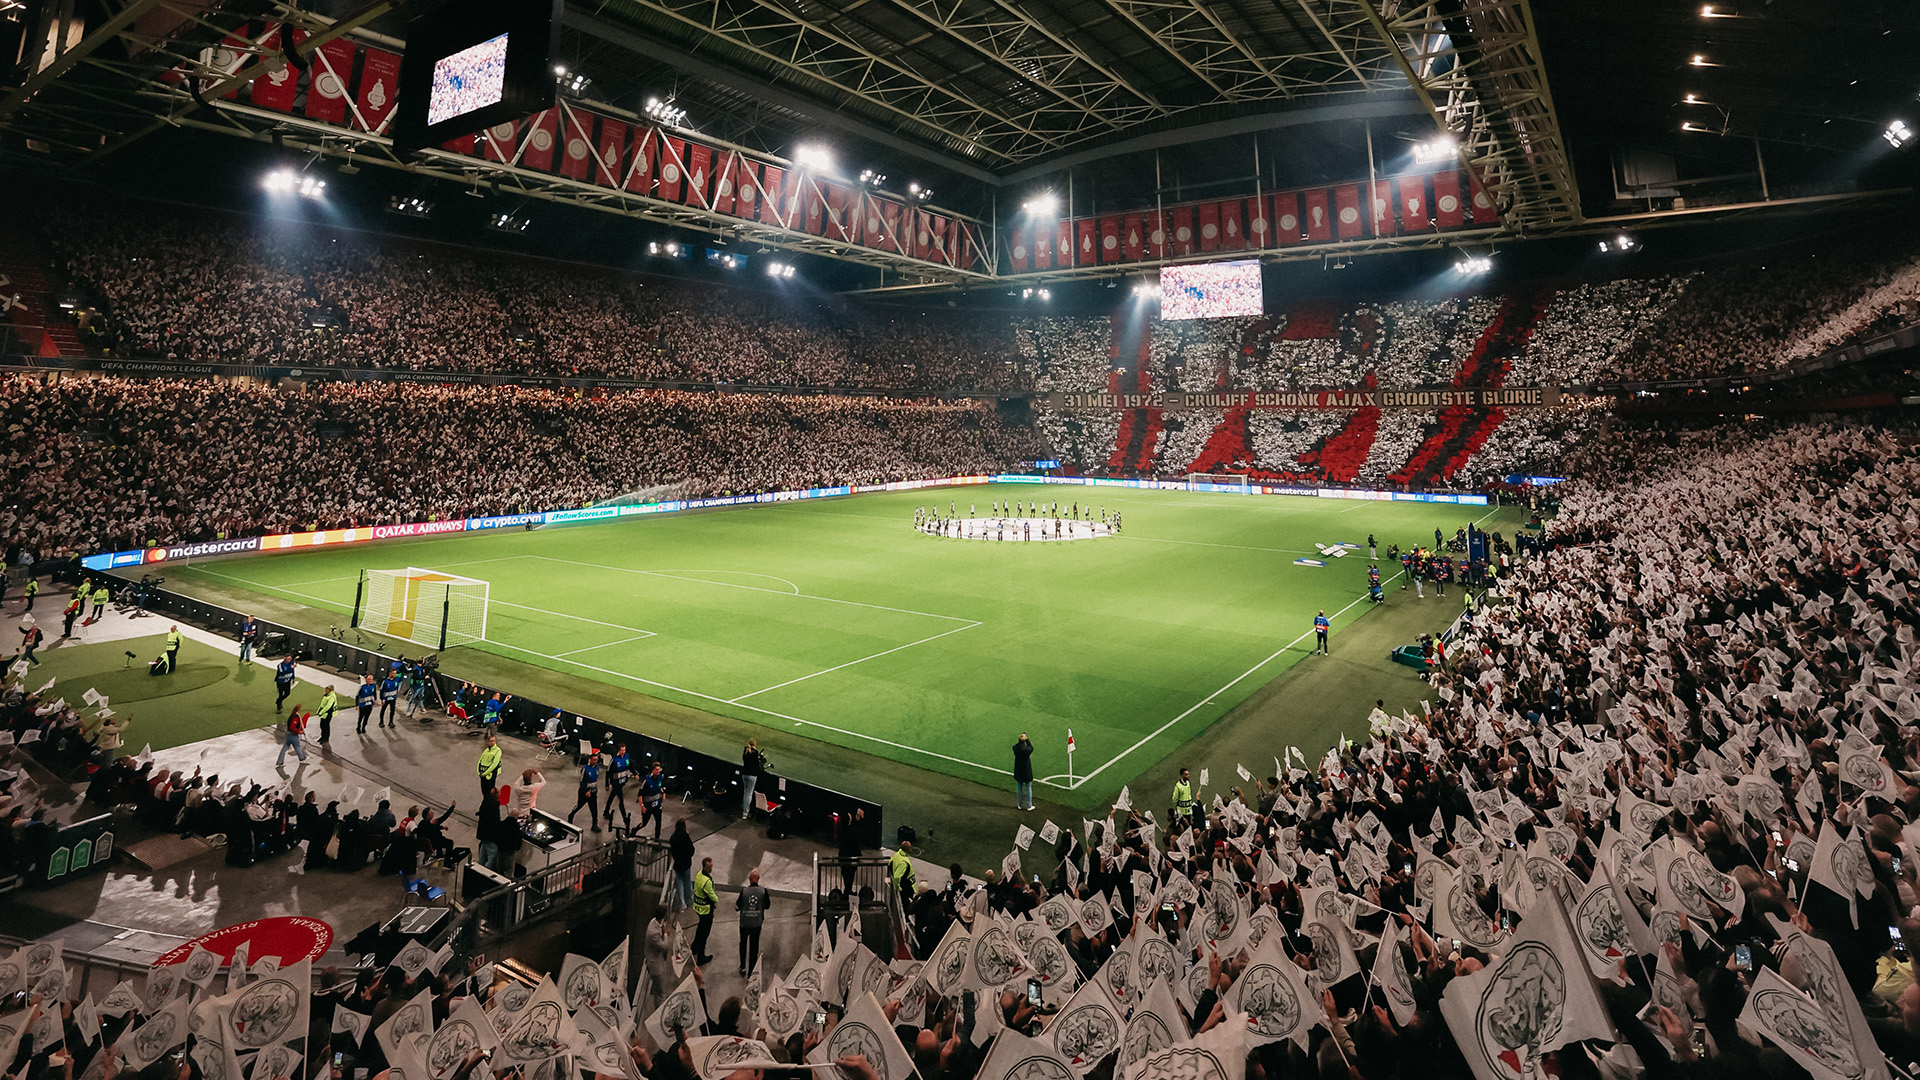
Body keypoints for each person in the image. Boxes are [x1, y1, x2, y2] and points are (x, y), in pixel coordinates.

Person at [735, 868, 769, 975]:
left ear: (749, 879)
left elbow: (737, 906)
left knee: (743, 943)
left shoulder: (744, 891)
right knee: (754, 947)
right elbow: (767, 905)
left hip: (744, 923)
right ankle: (751, 971)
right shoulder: (763, 891)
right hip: (756, 923)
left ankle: (742, 967)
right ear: (758, 879)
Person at [690, 856, 718, 965]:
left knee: (700, 928)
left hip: (698, 907)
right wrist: (715, 902)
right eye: (709, 867)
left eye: (711, 867)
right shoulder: (707, 881)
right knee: (704, 934)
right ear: (705, 867)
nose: (711, 869)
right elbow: (713, 897)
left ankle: (694, 948)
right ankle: (701, 958)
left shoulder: (699, 875)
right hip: (706, 910)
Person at [568, 750, 601, 831]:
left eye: (596, 760)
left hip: (593, 792)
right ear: (590, 760)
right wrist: (586, 791)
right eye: (594, 760)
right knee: (579, 805)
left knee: (594, 809)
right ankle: (571, 815)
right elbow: (581, 782)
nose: (595, 761)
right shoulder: (585, 769)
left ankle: (594, 824)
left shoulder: (597, 767)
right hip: (584, 793)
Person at [605, 744, 633, 830]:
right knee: (621, 799)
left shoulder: (627, 757)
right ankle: (625, 818)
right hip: (615, 783)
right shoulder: (614, 760)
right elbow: (608, 772)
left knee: (612, 795)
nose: (623, 752)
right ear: (618, 750)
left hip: (622, 782)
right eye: (622, 750)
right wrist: (607, 784)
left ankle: (606, 811)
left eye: (624, 750)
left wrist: (635, 773)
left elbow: (630, 765)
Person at [669, 819, 695, 909]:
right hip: (686, 863)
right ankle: (689, 900)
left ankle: (682, 903)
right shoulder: (686, 837)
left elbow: (672, 851)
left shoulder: (673, 838)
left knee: (679, 883)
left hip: (677, 864)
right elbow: (691, 850)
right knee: (687, 882)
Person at [638, 762, 666, 839]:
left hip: (657, 804)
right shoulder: (647, 780)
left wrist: (663, 792)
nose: (658, 771)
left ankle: (657, 840)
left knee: (658, 823)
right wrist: (642, 806)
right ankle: (634, 830)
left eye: (659, 770)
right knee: (644, 824)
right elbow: (640, 794)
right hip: (648, 806)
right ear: (653, 770)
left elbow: (660, 786)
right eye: (656, 770)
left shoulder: (660, 777)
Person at [740, 738, 764, 819]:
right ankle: (745, 813)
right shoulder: (755, 753)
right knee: (748, 794)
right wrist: (760, 756)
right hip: (752, 775)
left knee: (745, 792)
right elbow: (757, 764)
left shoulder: (745, 751)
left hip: (744, 774)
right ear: (755, 743)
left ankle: (744, 809)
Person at [1012, 734, 1035, 811]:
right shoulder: (1027, 750)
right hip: (1026, 770)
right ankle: (1029, 805)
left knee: (1019, 788)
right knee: (1028, 788)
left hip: (1018, 770)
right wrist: (1027, 740)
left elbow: (1016, 745)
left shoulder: (1015, 748)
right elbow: (1031, 747)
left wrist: (1021, 740)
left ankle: (1019, 805)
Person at [477, 734, 503, 800]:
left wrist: (485, 773)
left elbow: (494, 764)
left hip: (490, 775)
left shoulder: (498, 751)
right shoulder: (486, 750)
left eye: (494, 741)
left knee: (489, 793)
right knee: (484, 792)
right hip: (482, 774)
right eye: (491, 741)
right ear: (487, 742)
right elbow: (480, 760)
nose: (492, 743)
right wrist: (478, 772)